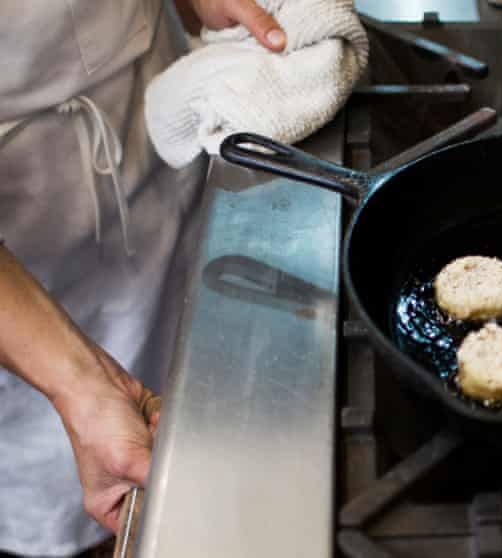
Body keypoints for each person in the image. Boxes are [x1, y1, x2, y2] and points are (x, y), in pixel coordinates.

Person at [0, 2, 287, 556]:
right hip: (20, 256)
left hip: (150, 108)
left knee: (184, 353)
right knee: (58, 490)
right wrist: (83, 387)